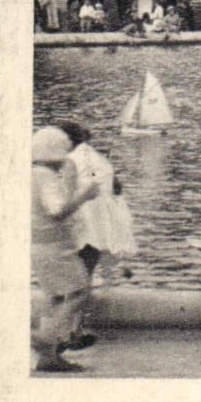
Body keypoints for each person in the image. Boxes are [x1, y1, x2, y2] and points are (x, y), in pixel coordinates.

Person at [52, 119, 138, 351]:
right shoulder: (99, 159)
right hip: (102, 226)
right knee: (85, 276)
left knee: (69, 280)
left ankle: (63, 333)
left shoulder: (69, 161)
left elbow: (67, 197)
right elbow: (117, 188)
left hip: (80, 225)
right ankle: (75, 329)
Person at [31, 126, 102, 371]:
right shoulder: (46, 178)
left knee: (55, 297)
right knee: (80, 291)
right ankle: (46, 340)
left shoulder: (30, 174)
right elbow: (57, 209)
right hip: (54, 246)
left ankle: (48, 356)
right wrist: (85, 195)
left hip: (36, 245)